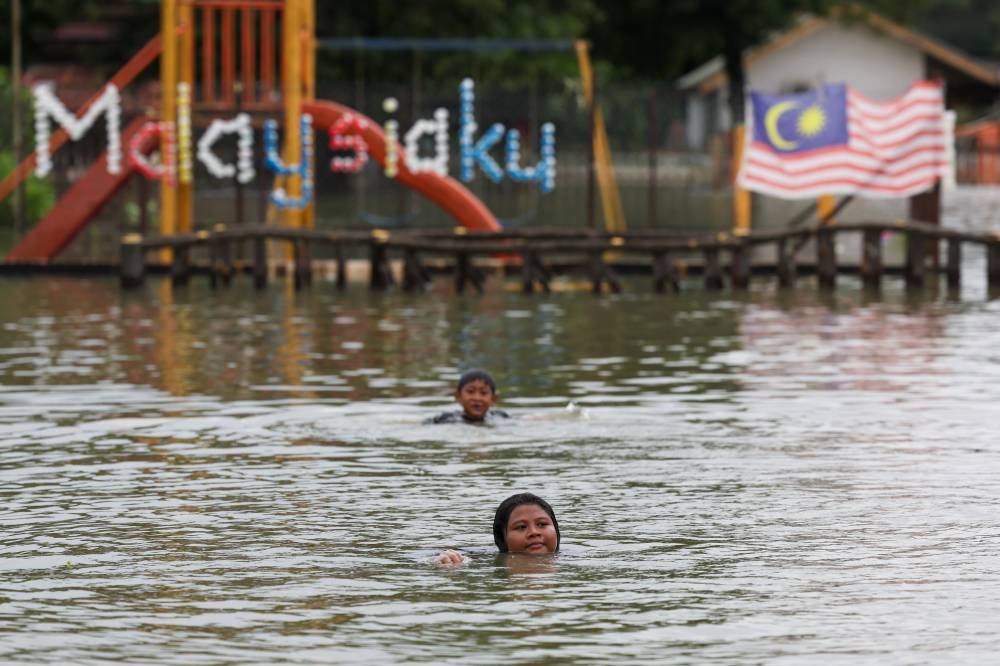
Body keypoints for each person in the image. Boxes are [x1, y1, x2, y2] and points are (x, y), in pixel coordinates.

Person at [435, 492, 560, 565]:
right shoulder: (476, 561)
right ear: (502, 538)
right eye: (521, 527)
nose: (534, 532)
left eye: (542, 524)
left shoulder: (577, 558)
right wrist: (444, 561)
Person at [426, 368, 511, 424]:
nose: (477, 398)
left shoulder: (500, 417)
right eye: (470, 392)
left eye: (483, 393)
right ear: (458, 396)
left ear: (493, 399)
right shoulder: (446, 420)